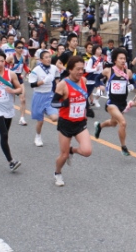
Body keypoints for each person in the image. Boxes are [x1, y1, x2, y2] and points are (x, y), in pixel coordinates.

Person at [51, 56, 92, 186]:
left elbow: (83, 98)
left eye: (82, 69)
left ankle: (72, 150)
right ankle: (57, 173)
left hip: (80, 123)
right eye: (77, 69)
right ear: (70, 69)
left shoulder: (84, 81)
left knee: (87, 151)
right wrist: (64, 103)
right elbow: (53, 103)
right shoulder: (63, 84)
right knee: (63, 156)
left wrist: (87, 107)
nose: (81, 72)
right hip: (66, 123)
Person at [94, 48, 135, 156]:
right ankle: (123, 147)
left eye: (124, 58)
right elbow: (97, 78)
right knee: (123, 123)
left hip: (122, 103)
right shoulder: (109, 70)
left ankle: (100, 126)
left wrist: (132, 86)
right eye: (120, 58)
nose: (123, 60)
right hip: (111, 103)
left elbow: (133, 83)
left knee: (113, 123)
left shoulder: (128, 72)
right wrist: (100, 85)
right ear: (115, 60)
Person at [29, 50, 60, 147]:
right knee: (40, 121)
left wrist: (58, 87)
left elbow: (57, 77)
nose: (48, 59)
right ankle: (38, 136)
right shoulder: (36, 70)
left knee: (55, 118)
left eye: (49, 57)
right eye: (46, 57)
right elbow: (32, 84)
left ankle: (48, 111)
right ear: (41, 59)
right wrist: (43, 81)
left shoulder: (54, 68)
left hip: (49, 95)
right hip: (38, 95)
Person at [6, 40, 30, 126]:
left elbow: (24, 66)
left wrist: (27, 71)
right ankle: (7, 115)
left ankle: (22, 118)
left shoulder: (23, 58)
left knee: (23, 99)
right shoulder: (11, 57)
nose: (21, 49)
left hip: (19, 79)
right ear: (15, 48)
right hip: (11, 79)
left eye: (22, 47)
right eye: (19, 47)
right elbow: (3, 65)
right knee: (11, 100)